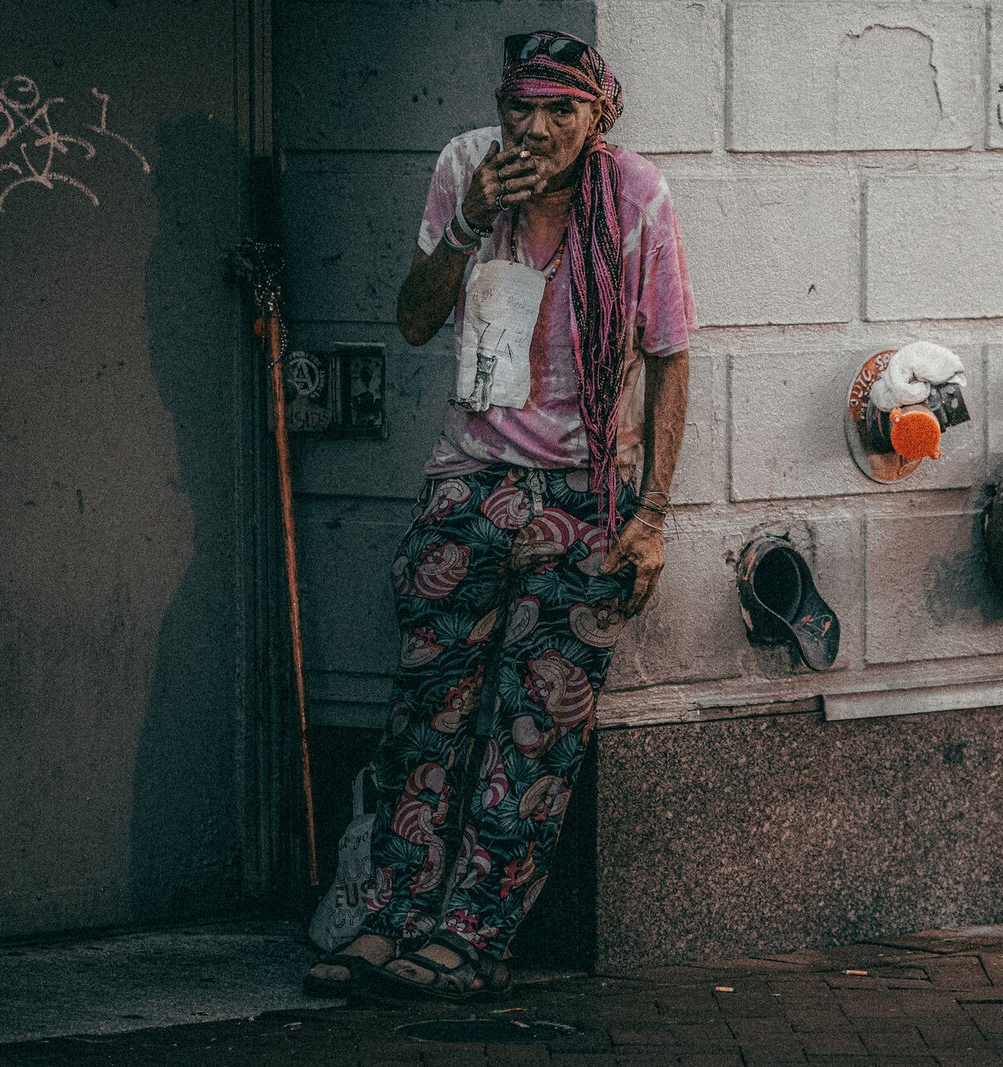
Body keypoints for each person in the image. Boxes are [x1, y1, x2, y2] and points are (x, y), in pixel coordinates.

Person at [304, 29, 693, 1002]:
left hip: (586, 497)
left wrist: (650, 520)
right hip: (470, 481)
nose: (536, 126)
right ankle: (383, 914)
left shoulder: (637, 196)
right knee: (426, 711)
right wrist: (468, 221)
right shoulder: (462, 168)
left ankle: (473, 932)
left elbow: (670, 355)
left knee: (534, 733)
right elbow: (414, 318)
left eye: (560, 109)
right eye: (521, 105)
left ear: (596, 116)